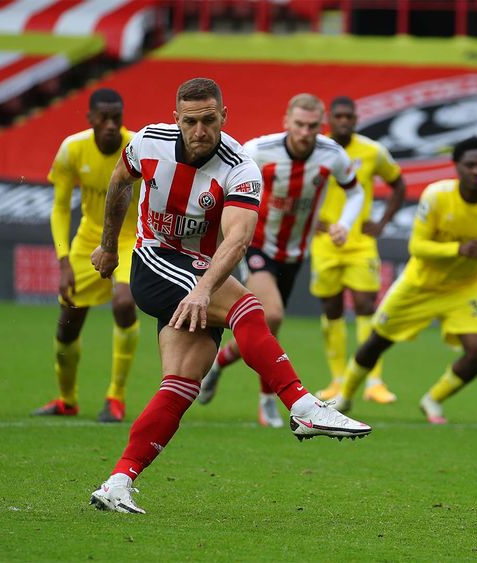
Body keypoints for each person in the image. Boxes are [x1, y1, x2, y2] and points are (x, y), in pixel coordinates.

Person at [87, 78, 371, 514]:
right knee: (248, 307)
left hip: (199, 276)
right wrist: (109, 245)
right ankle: (302, 404)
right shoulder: (148, 143)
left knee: (180, 385)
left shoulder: (240, 166)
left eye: (208, 120)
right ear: (175, 118)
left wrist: (202, 290)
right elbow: (120, 181)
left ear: (224, 116)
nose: (199, 130)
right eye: (190, 121)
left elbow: (238, 240)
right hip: (156, 261)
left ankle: (118, 482)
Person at [334, 137, 477, 424]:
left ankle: (433, 399)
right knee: (377, 342)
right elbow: (417, 247)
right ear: (457, 167)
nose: (476, 171)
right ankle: (345, 396)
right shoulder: (436, 196)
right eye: (470, 165)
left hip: (464, 287)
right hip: (420, 283)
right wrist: (458, 249)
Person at [194, 93, 365, 428]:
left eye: (312, 126)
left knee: (268, 326)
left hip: (295, 253)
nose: (304, 132)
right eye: (299, 124)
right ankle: (267, 402)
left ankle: (219, 363)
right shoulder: (259, 150)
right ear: (286, 121)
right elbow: (224, 177)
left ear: (321, 125)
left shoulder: (332, 155)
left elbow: (355, 190)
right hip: (257, 247)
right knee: (269, 315)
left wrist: (344, 224)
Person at [32, 88, 142, 423]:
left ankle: (115, 398)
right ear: (90, 119)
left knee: (123, 303)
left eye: (116, 118)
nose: (111, 125)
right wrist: (63, 261)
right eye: (103, 118)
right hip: (87, 241)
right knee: (67, 327)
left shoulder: (138, 147)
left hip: (131, 239)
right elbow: (61, 208)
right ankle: (67, 400)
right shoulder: (72, 149)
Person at [311, 96, 406, 404]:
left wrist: (381, 223)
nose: (344, 121)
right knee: (332, 309)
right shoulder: (317, 148)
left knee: (366, 305)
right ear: (329, 119)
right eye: (338, 116)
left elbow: (398, 184)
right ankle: (337, 381)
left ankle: (373, 381)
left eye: (349, 116)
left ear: (356, 118)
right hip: (325, 244)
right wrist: (307, 220)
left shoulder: (372, 151)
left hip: (360, 244)